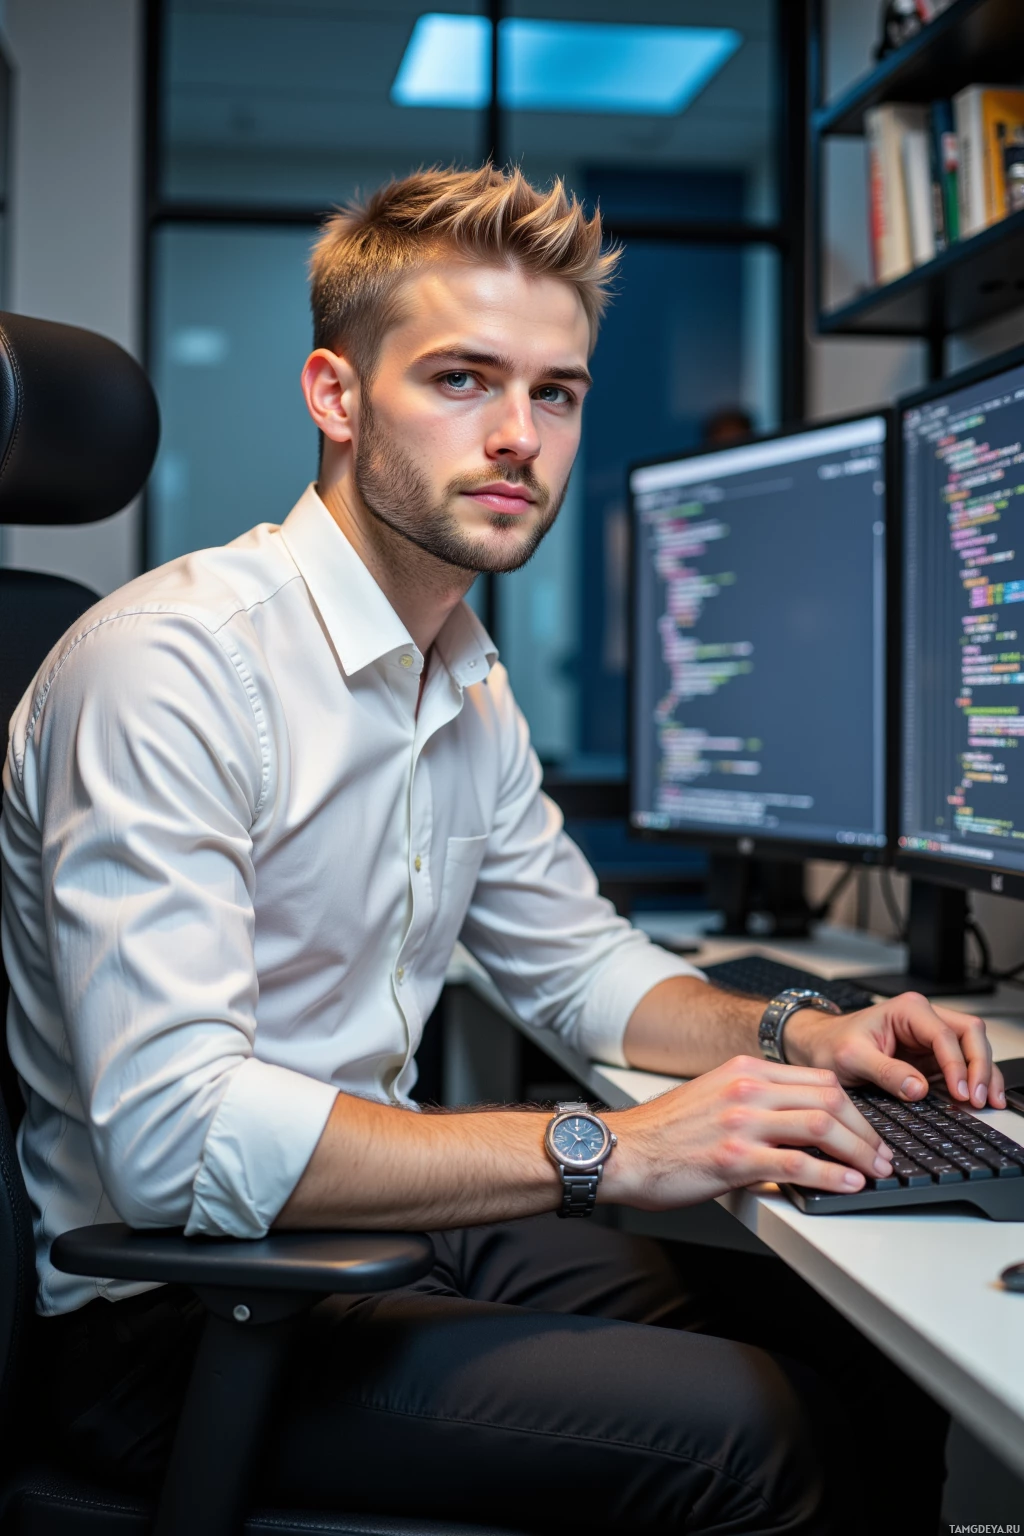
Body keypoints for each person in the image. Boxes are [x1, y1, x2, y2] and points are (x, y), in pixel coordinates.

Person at [0, 166, 1003, 1533]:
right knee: (765, 1438)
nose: (520, 436)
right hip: (178, 1311)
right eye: (464, 380)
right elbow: (181, 1143)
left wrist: (793, 1031)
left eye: (556, 392)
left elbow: (583, 971)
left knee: (854, 1349)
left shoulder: (459, 672)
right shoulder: (168, 670)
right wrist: (605, 1146)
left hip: (372, 1238)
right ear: (336, 395)